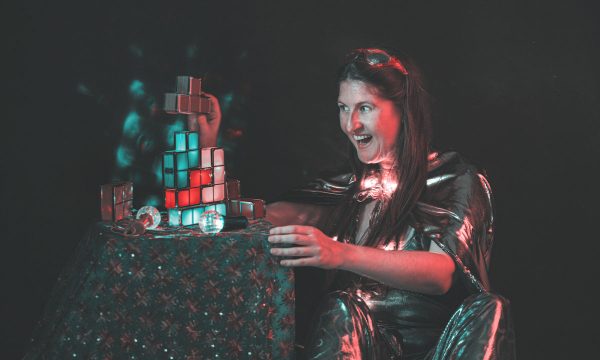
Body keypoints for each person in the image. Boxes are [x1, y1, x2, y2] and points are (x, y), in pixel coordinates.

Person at [192, 48, 515, 359]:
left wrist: (339, 253)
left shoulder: (453, 178)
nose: (351, 124)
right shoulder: (347, 189)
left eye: (365, 108)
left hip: (440, 349)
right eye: (343, 108)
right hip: (365, 349)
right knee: (341, 306)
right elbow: (256, 217)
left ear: (403, 110)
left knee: (490, 308)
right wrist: (206, 146)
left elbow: (440, 273)